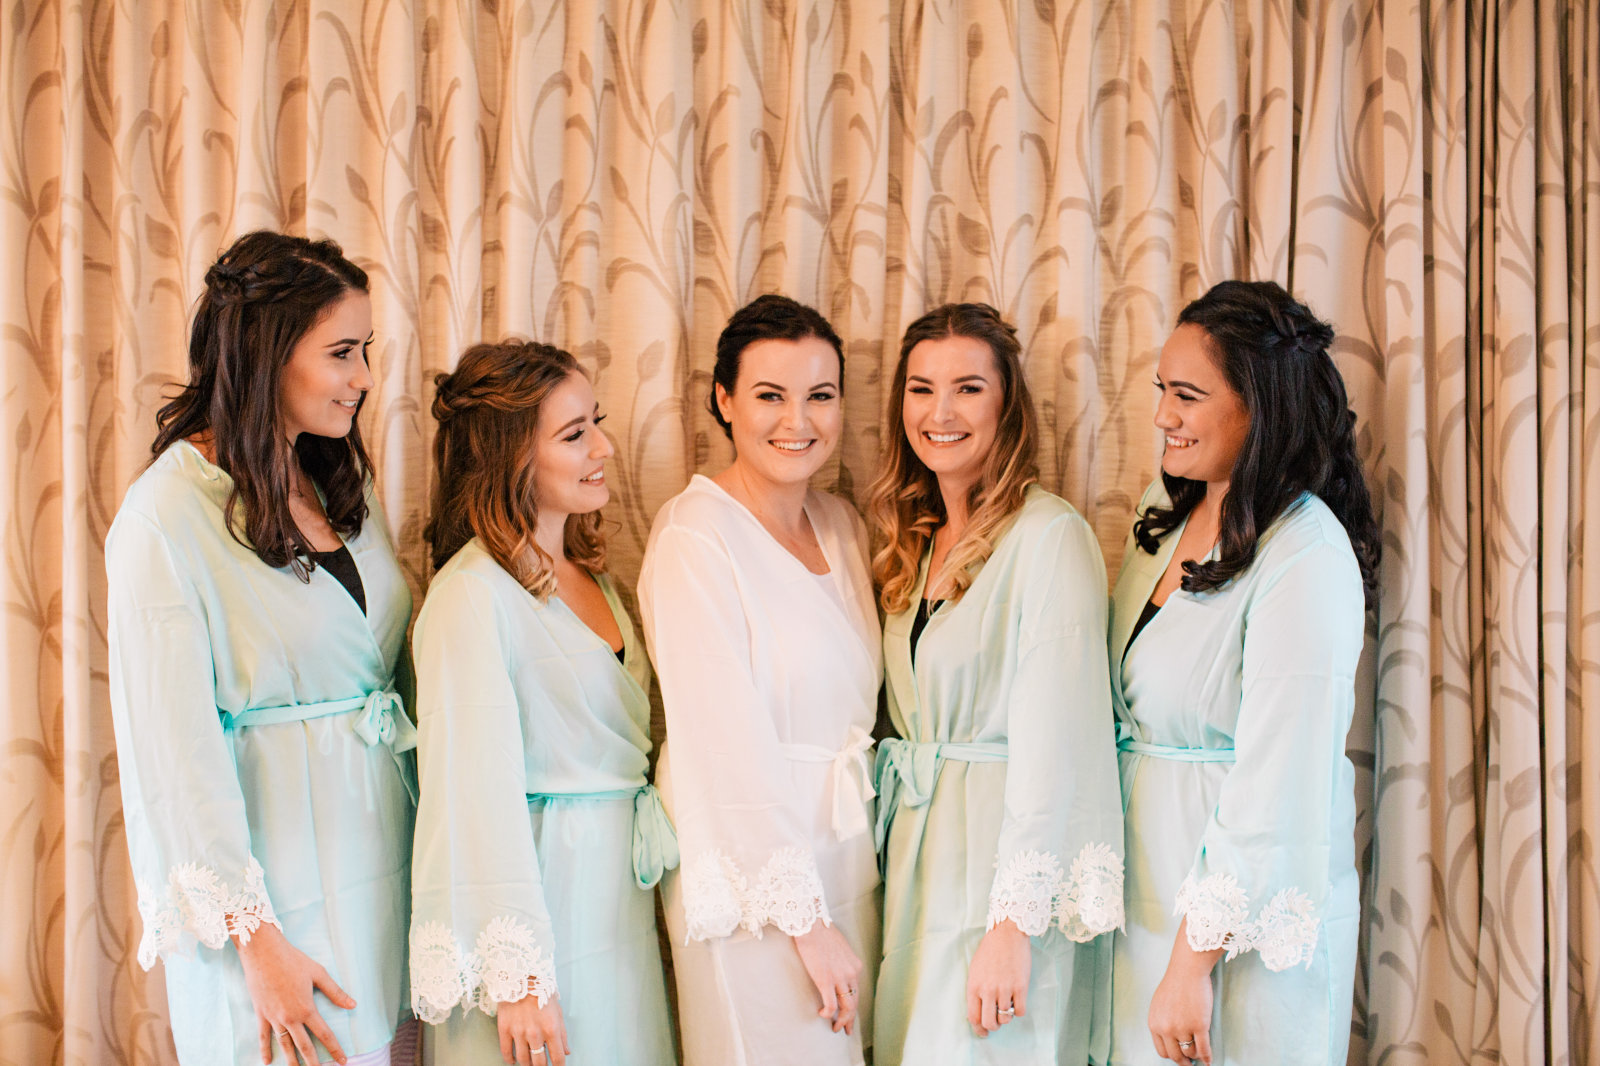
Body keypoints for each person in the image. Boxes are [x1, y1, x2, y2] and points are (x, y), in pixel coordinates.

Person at [105, 231, 417, 1066]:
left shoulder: (338, 482)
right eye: (342, 353)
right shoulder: (163, 518)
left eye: (366, 351)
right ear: (266, 352)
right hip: (276, 904)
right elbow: (173, 757)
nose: (364, 377)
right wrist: (256, 940)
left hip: (380, 865)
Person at [1105, 280, 1380, 1065]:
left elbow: (1278, 785)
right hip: (1146, 887)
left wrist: (1193, 962)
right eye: (1162, 390)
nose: (1163, 415)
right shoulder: (1167, 514)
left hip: (1235, 926)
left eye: (1187, 396)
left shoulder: (1306, 555)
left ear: (1260, 407)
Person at [866, 302, 1125, 1063]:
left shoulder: (1050, 537)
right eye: (921, 389)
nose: (940, 412)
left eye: (968, 389)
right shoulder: (916, 542)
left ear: (1008, 404)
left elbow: (1058, 749)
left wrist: (1012, 926)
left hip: (999, 870)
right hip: (919, 859)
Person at [406, 341, 676, 1066]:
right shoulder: (471, 595)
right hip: (539, 902)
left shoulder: (596, 578)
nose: (604, 447)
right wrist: (519, 975)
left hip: (615, 909)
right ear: (512, 458)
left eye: (597, 423)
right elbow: (471, 797)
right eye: (574, 434)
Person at [636, 294, 882, 1066]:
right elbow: (721, 745)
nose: (797, 421)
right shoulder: (694, 535)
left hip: (845, 850)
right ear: (724, 400)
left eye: (820, 395)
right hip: (752, 877)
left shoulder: (842, 526)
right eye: (770, 396)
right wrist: (805, 922)